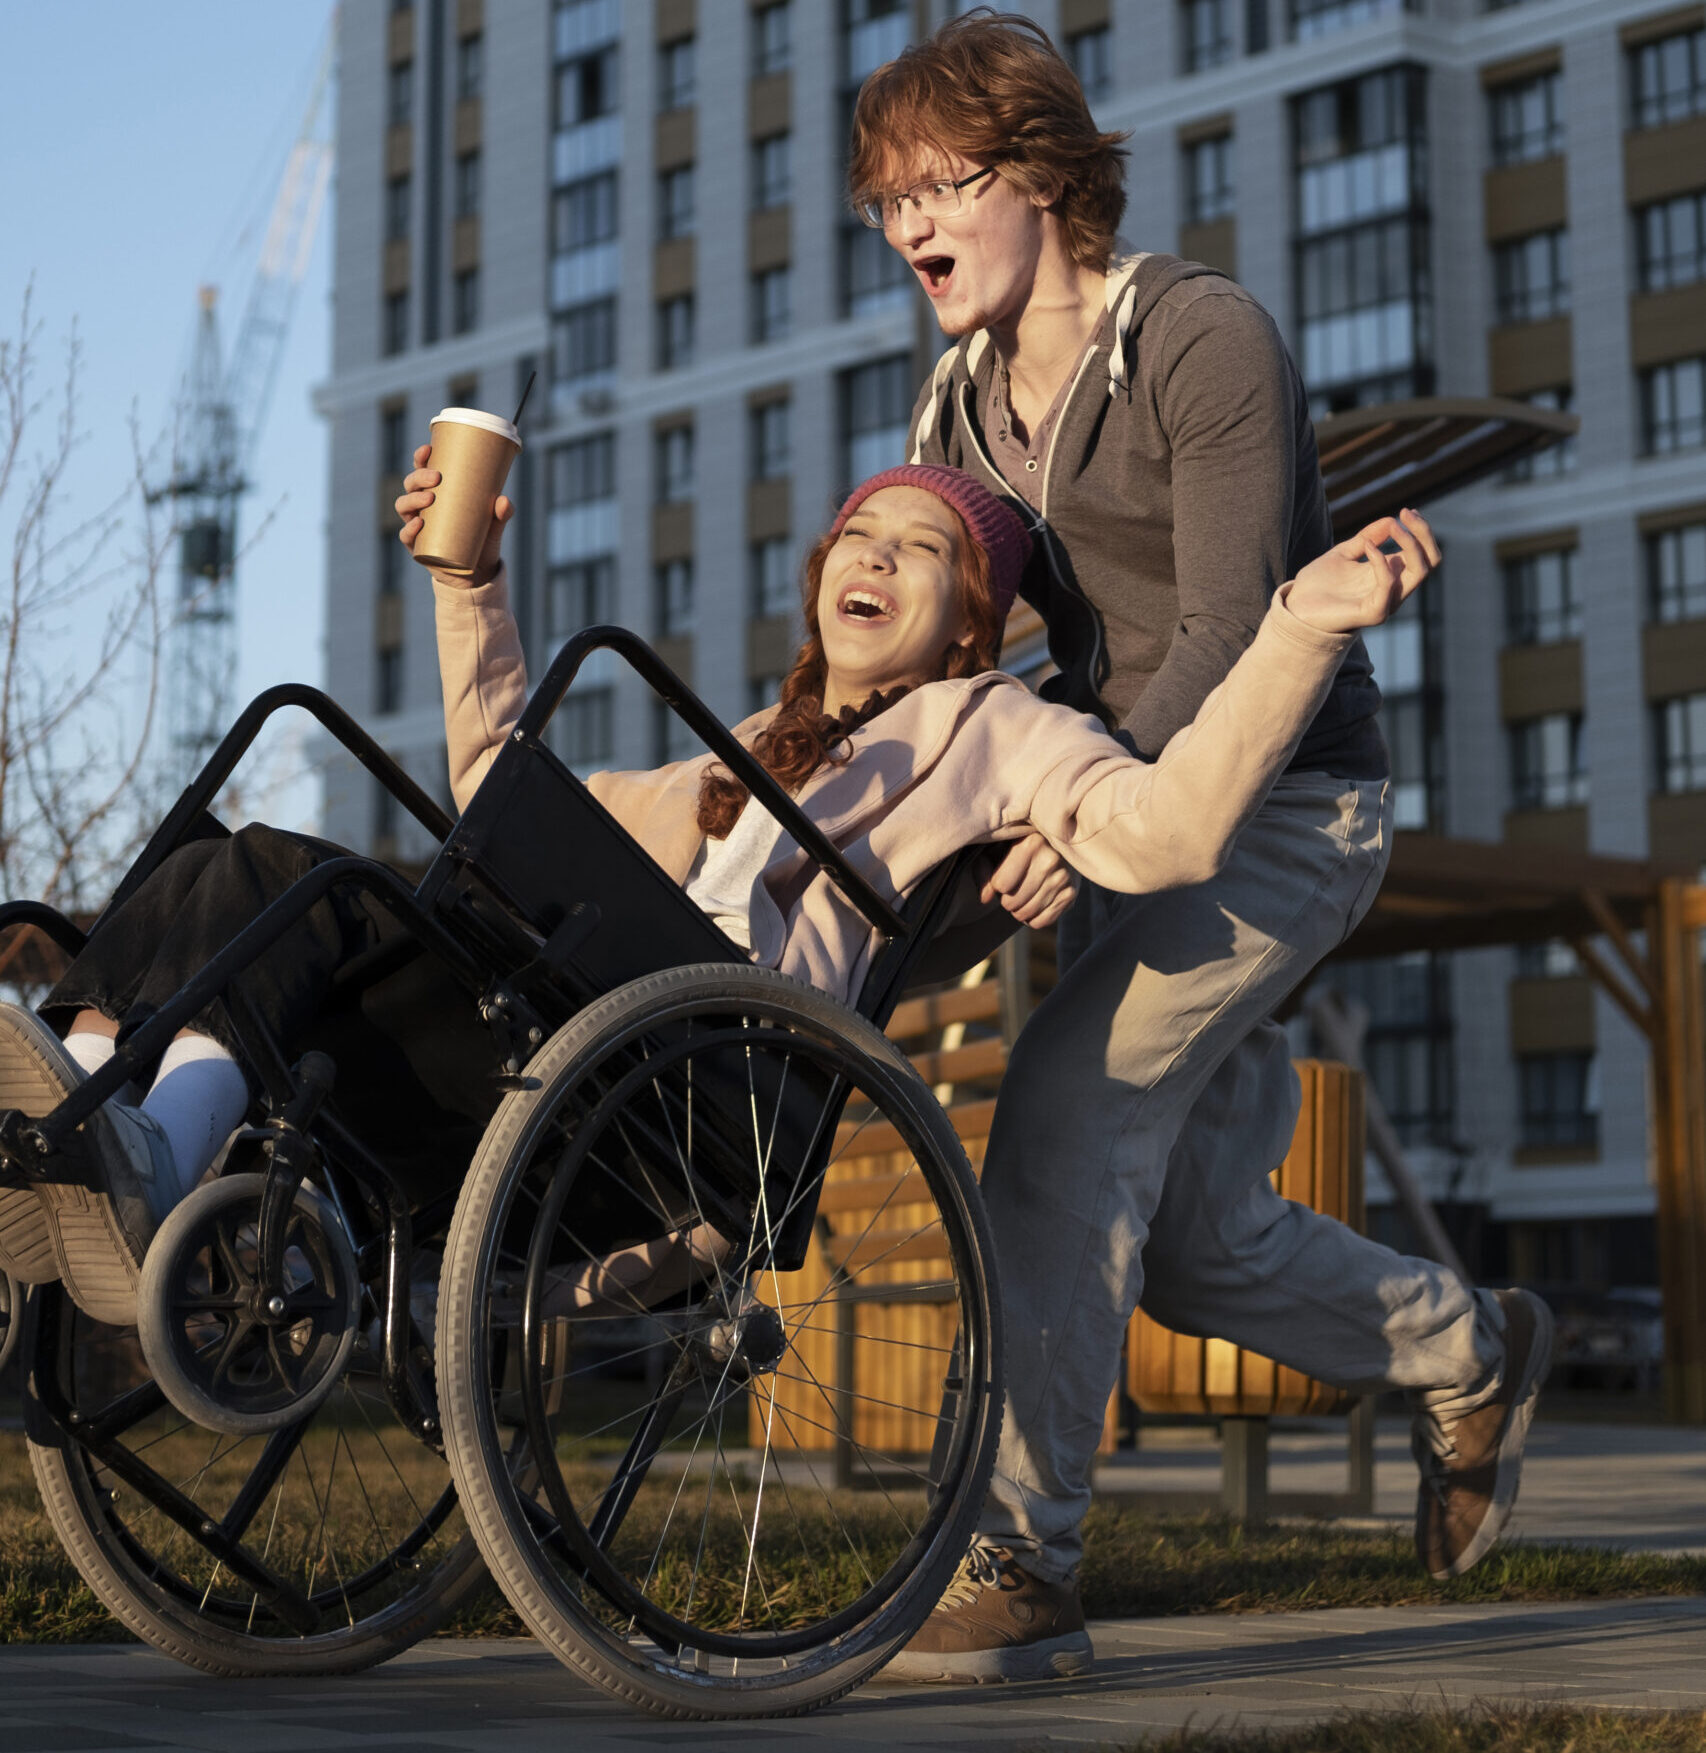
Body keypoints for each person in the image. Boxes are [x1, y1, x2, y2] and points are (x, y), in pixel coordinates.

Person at [0, 462, 1432, 1340]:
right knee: (245, 859)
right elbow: (510, 787)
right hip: (565, 1023)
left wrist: (1298, 627)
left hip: (689, 1093)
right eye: (857, 539)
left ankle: (135, 1142)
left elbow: (1171, 831)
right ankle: (104, 1121)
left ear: (975, 621)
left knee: (288, 878)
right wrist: (470, 574)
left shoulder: (996, 730)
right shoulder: (757, 746)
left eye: (918, 550)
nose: (872, 558)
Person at [846, 11, 1552, 1684]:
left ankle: (1020, 1560)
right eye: (889, 202)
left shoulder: (1200, 336)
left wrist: (1090, 821)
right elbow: (966, 648)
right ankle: (1474, 1351)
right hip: (1133, 807)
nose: (912, 226)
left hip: (1290, 805)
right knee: (1179, 1240)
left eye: (943, 183)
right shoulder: (957, 400)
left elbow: (1235, 624)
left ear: (1042, 175)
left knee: (1062, 1121)